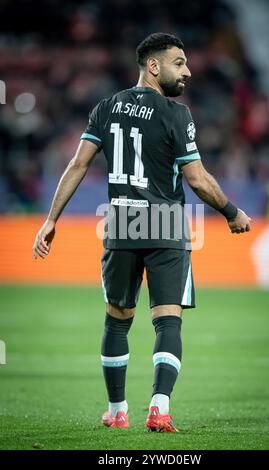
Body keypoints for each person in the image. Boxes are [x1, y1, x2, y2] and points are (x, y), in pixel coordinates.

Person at [33, 33, 251, 433]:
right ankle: (159, 408)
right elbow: (197, 179)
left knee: (117, 321)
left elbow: (78, 165)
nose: (187, 70)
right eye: (179, 62)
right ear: (154, 66)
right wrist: (232, 211)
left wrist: (51, 219)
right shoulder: (176, 114)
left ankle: (117, 412)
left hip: (121, 224)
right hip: (166, 225)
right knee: (168, 320)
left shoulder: (107, 107)